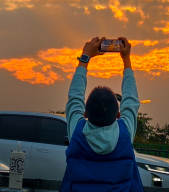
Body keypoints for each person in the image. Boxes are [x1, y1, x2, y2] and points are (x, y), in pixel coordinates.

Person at [60, 36, 144, 192]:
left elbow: (75, 97)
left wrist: (85, 57)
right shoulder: (125, 131)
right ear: (118, 115)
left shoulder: (77, 131)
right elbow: (131, 100)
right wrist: (126, 59)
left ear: (85, 113)